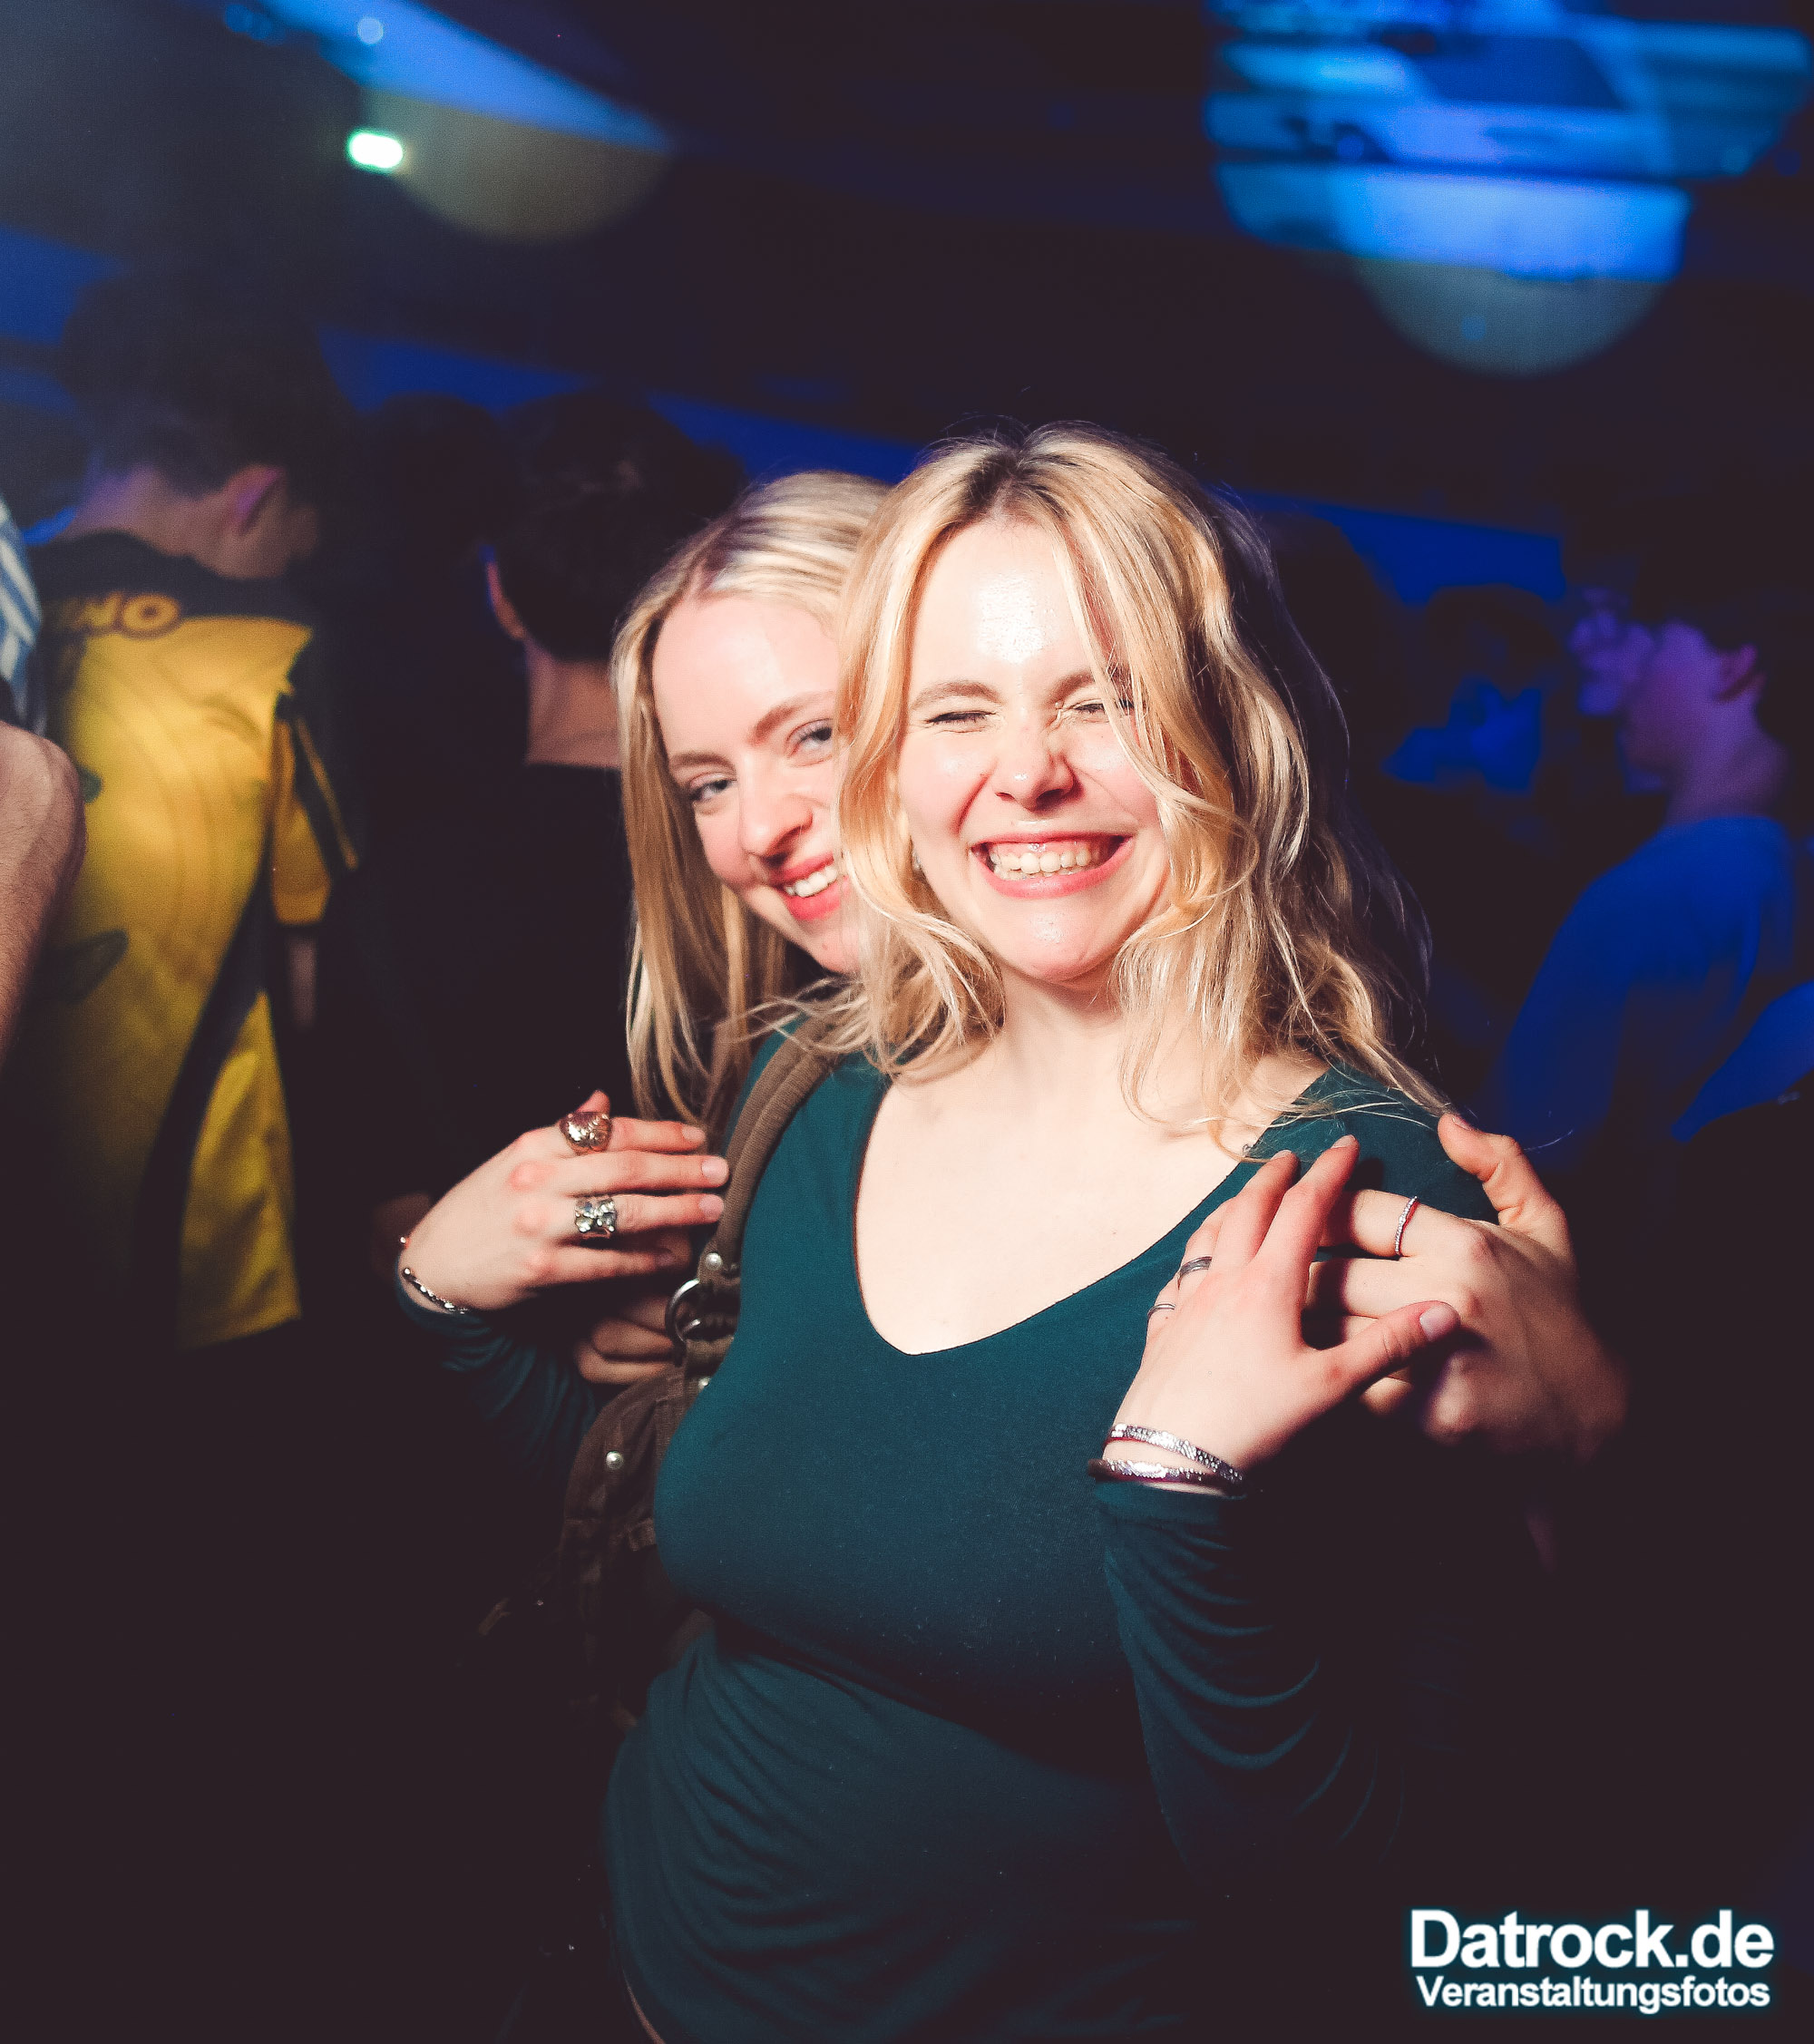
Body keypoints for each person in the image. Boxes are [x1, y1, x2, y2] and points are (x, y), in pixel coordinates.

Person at [398, 426, 1637, 2038]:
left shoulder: (1374, 1208)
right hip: (621, 1966)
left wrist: (1181, 1499)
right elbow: (700, 1528)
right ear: (898, 763)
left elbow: (1395, 1905)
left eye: (1100, 699)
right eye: (955, 710)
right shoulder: (810, 1083)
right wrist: (445, 1302)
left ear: (1228, 723)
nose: (1028, 771)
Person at [311, 394, 742, 1282]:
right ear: (691, 596)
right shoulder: (765, 862)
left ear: (499, 593)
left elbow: (393, 1243)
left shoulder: (385, 894)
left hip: (479, 1359)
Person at [4, 269, 355, 1357]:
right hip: (184, 1271)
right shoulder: (279, 649)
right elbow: (314, 979)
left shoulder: (12, 597)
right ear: (254, 495)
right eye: (292, 537)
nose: (286, 566)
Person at [1484, 504, 1814, 1212]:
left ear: (1733, 666)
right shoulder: (1775, 874)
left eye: (1658, 636)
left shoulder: (1653, 896)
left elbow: (1522, 1152)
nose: (1634, 667)